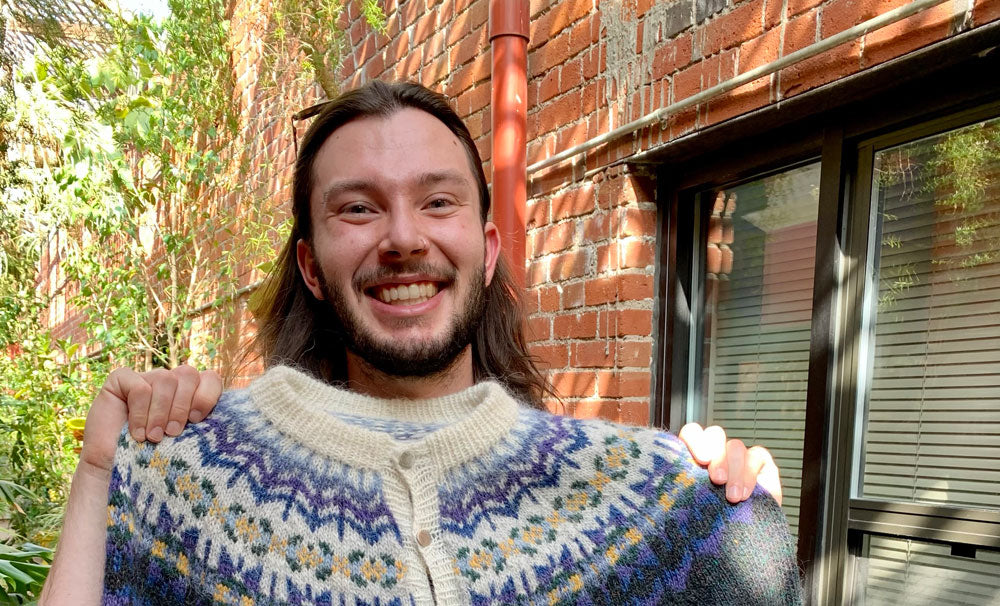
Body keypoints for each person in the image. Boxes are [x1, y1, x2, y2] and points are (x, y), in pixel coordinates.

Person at [41, 81, 800, 605]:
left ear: (487, 246)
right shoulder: (194, 498)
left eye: (438, 202)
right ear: (310, 264)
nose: (403, 237)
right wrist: (102, 473)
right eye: (359, 209)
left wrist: (727, 525)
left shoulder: (635, 514)